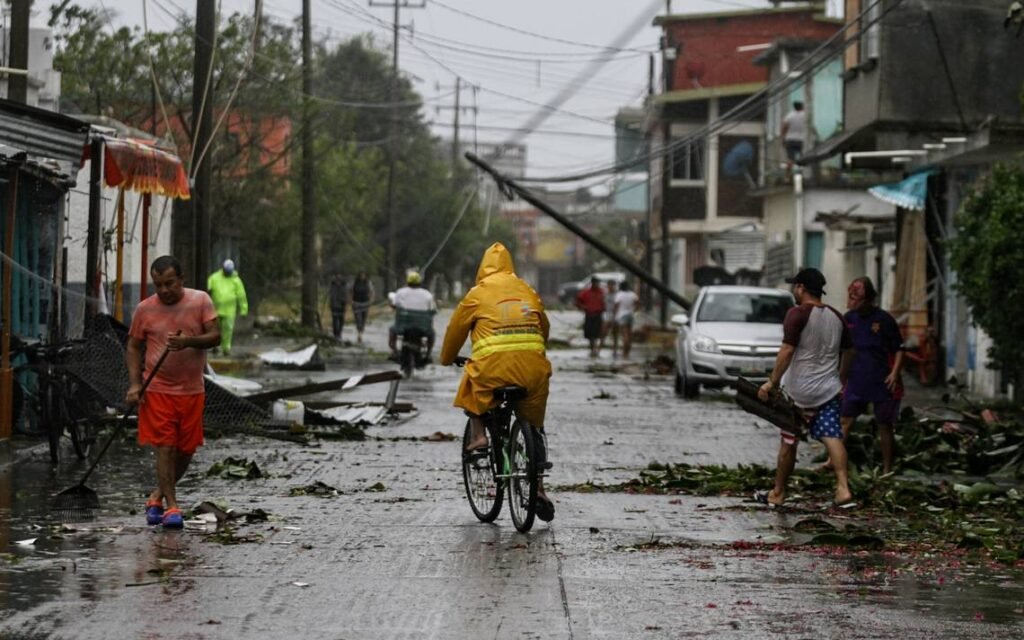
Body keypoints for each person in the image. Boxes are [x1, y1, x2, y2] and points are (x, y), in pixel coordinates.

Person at [440, 242, 555, 521]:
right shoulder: (527, 290)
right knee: (535, 426)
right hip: (533, 369)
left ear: (483, 268)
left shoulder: (477, 294)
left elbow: (455, 332)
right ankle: (538, 487)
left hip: (492, 369)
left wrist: (447, 358)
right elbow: (545, 328)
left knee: (472, 377)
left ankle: (479, 435)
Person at [127, 256, 220, 529]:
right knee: (165, 447)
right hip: (157, 390)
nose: (165, 290)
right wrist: (134, 384)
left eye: (170, 283)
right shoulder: (145, 309)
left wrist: (187, 341)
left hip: (192, 390)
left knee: (186, 450)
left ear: (182, 279)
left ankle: (156, 496)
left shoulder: (200, 301)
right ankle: (172, 506)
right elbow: (133, 346)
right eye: (158, 285)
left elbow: (216, 337)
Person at [755, 267, 855, 509]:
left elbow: (787, 350)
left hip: (798, 393)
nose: (793, 290)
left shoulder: (796, 314)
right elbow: (850, 351)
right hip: (828, 390)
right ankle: (843, 488)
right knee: (832, 435)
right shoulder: (836, 316)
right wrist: (840, 379)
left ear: (801, 288)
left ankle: (778, 493)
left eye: (795, 286)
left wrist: (772, 382)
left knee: (789, 441)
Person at [840, 276, 905, 474]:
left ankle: (887, 468)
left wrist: (894, 374)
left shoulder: (883, 320)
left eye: (857, 297)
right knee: (845, 420)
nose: (852, 301)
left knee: (884, 425)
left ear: (868, 299)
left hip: (882, 380)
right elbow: (843, 350)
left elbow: (899, 349)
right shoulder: (848, 319)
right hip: (856, 378)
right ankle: (833, 462)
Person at [389, 271, 437, 360]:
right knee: (432, 334)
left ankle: (394, 351)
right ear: (420, 282)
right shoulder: (427, 294)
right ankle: (428, 354)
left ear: (408, 282)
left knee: (392, 331)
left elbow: (394, 305)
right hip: (423, 327)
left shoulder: (400, 292)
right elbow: (433, 309)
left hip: (402, 326)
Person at [206, 259, 248, 356]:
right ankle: (215, 346)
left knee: (228, 330)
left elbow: (241, 296)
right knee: (215, 329)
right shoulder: (214, 277)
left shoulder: (236, 280)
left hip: (229, 311)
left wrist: (243, 309)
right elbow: (207, 288)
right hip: (216, 309)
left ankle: (226, 348)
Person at [575, 277, 605, 358]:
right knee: (589, 334)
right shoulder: (586, 292)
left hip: (598, 315)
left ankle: (594, 350)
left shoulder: (602, 292)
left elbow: (605, 303)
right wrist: (583, 307)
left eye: (598, 283)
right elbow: (578, 301)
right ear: (592, 283)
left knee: (596, 334)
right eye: (595, 283)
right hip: (589, 315)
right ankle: (592, 349)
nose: (597, 284)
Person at [612, 281, 640, 359]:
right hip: (631, 315)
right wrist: (634, 311)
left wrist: (614, 317)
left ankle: (624, 353)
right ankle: (627, 352)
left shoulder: (619, 295)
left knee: (625, 335)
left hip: (622, 316)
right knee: (629, 334)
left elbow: (616, 306)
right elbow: (638, 304)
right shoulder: (633, 294)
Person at [781, 101, 807, 171]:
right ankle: (803, 172)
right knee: (804, 158)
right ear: (802, 107)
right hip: (802, 140)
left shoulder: (789, 115)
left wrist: (783, 139)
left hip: (790, 140)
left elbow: (784, 128)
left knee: (790, 159)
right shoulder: (805, 115)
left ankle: (787, 175)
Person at [351, 271, 374, 344]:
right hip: (356, 303)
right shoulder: (354, 283)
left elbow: (372, 291)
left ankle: (361, 332)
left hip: (365, 303)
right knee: (358, 319)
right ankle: (359, 333)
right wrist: (350, 300)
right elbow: (350, 291)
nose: (362, 276)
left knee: (364, 319)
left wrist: (371, 299)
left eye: (363, 275)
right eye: (361, 275)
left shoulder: (368, 283)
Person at [599, 280, 618, 352]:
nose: (611, 287)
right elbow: (602, 303)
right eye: (609, 285)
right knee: (603, 332)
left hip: (615, 315)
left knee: (614, 334)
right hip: (607, 314)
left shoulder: (617, 295)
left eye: (612, 285)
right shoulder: (605, 295)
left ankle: (614, 350)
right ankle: (599, 349)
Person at [328, 273, 348, 341]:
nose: (338, 277)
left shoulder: (344, 285)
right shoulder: (332, 285)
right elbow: (331, 294)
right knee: (334, 319)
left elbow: (346, 295)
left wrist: (345, 304)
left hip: (342, 305)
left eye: (340, 275)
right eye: (337, 275)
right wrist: (330, 303)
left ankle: (339, 333)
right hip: (334, 305)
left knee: (341, 320)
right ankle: (335, 334)